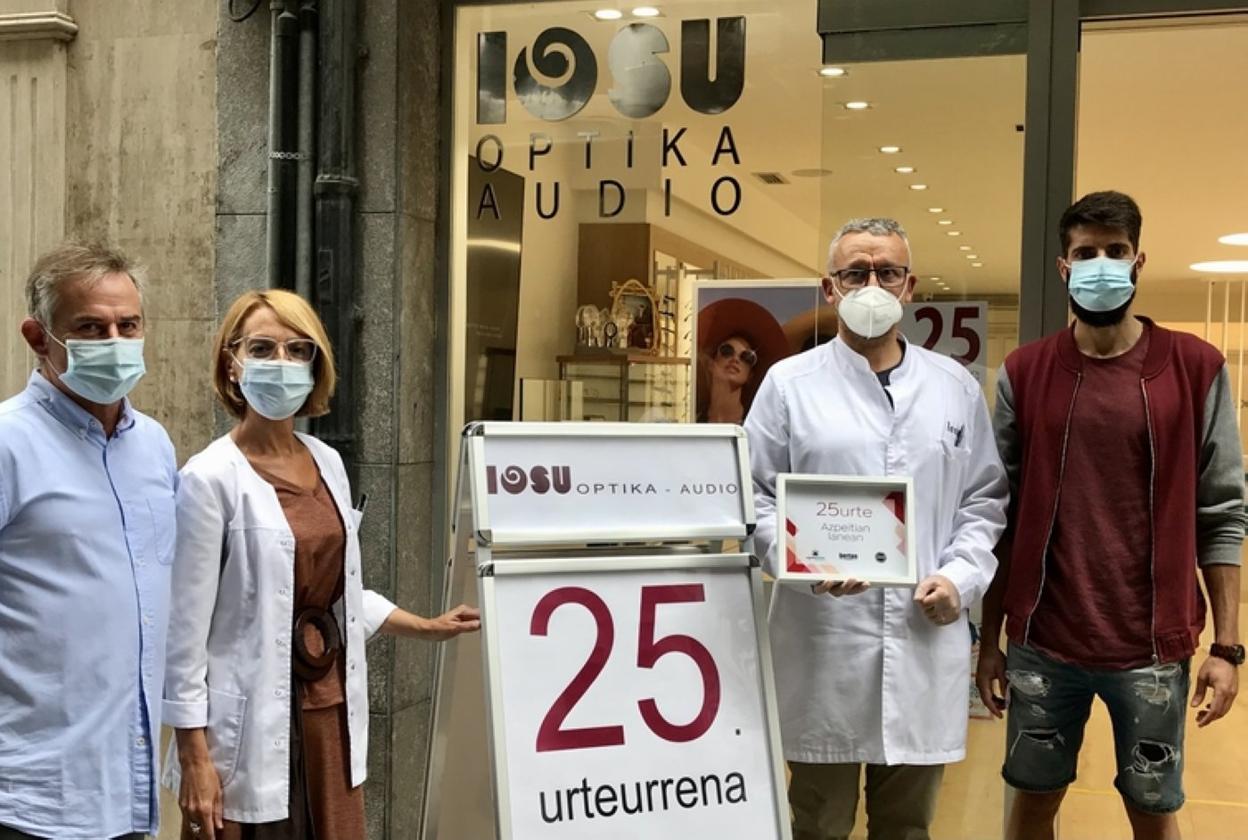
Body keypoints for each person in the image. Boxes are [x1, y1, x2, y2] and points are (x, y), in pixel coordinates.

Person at [977, 191, 1245, 840]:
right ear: (1064, 267)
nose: (1101, 264)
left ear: (1138, 261)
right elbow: (996, 516)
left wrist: (1227, 648)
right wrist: (989, 644)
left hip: (1152, 646)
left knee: (1153, 811)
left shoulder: (1194, 368)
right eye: (1086, 252)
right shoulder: (1025, 373)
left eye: (1115, 251)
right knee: (1033, 803)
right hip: (1044, 641)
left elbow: (1222, 513)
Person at [163, 289, 480, 840]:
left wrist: (426, 627)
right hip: (253, 723)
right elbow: (184, 634)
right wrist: (194, 755)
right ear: (232, 364)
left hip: (328, 711)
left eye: (297, 349)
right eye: (262, 348)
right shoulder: (208, 478)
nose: (281, 362)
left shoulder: (327, 462)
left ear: (315, 367)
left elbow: (335, 592)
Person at [746, 218, 1008, 840]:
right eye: (855, 273)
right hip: (823, 643)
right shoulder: (789, 385)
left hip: (923, 636)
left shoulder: (953, 387)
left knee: (908, 827)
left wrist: (959, 578)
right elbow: (752, 495)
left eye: (887, 272)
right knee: (818, 823)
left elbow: (983, 500)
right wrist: (802, 559)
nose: (872, 285)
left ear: (909, 286)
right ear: (830, 288)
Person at [0, 242, 176, 840]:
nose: (115, 342)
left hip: (125, 793)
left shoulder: (153, 447)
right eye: (91, 328)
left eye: (128, 325)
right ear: (38, 337)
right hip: (29, 800)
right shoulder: (9, 444)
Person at [695, 297, 790, 423]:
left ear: (750, 376)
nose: (735, 359)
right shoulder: (690, 419)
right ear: (711, 364)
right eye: (727, 351)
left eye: (747, 357)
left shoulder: (757, 424)